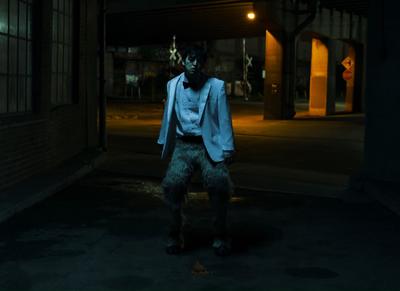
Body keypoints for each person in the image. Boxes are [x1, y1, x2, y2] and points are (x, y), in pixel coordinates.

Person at [157, 44, 235, 256]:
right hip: (183, 145)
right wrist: (164, 140)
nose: (194, 63)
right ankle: (175, 235)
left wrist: (228, 147)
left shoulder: (216, 86)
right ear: (183, 61)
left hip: (208, 145)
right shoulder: (172, 85)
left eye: (199, 60)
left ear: (204, 63)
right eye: (190, 59)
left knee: (219, 186)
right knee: (172, 186)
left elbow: (224, 117)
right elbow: (168, 115)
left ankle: (220, 236)